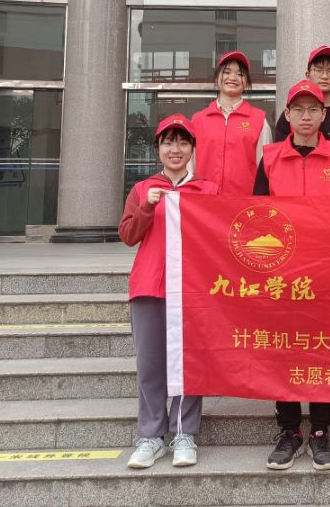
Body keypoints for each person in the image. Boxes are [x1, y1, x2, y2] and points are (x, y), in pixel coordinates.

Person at [254, 80, 330, 470]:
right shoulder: (270, 157)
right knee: (284, 348)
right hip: (283, 272)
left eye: (314, 109)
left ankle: (321, 430)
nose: (307, 116)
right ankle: (290, 430)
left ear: (323, 114)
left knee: (325, 349)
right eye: (299, 109)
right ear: (288, 114)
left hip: (329, 269)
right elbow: (257, 212)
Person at [119, 114, 218, 469]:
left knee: (188, 362)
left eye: (183, 143)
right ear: (158, 149)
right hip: (149, 286)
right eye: (168, 142)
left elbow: (219, 238)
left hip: (191, 289)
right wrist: (147, 207)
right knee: (150, 363)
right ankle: (151, 435)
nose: (175, 149)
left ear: (192, 149)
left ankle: (184, 433)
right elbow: (128, 235)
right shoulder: (143, 189)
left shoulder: (207, 190)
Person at [273, 45, 330, 193]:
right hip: (296, 193)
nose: (324, 76)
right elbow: (279, 161)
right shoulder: (291, 118)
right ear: (307, 74)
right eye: (318, 70)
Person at [192, 50, 272, 194]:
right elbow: (189, 167)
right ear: (217, 79)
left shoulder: (259, 120)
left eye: (240, 74)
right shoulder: (198, 120)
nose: (233, 77)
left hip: (243, 203)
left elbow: (265, 169)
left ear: (246, 82)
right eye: (227, 72)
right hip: (204, 202)